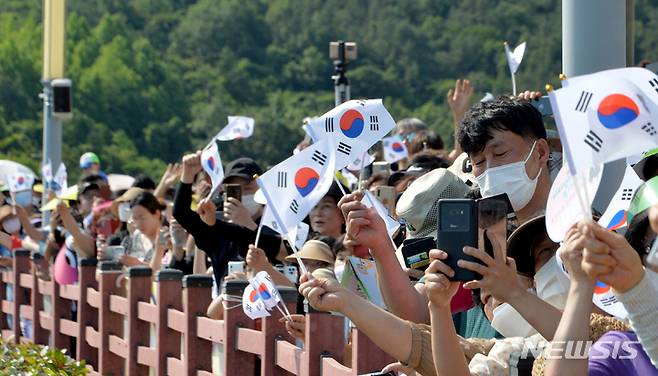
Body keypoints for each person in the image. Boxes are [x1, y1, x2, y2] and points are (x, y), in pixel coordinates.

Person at [173, 151, 281, 290]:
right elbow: (182, 214)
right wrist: (188, 174)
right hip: (225, 308)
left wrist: (247, 223)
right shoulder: (216, 227)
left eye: (248, 188)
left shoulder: (277, 223)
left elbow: (277, 249)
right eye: (235, 190)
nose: (242, 195)